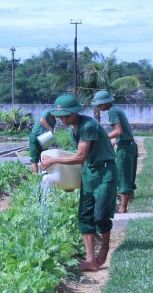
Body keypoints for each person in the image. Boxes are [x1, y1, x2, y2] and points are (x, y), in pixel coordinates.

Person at [41, 94, 117, 272]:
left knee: (100, 216)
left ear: (76, 112)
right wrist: (71, 182)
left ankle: (105, 246)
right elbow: (83, 160)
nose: (63, 119)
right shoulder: (72, 129)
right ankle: (90, 260)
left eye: (66, 116)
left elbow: (81, 156)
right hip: (89, 172)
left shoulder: (88, 125)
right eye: (60, 116)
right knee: (84, 216)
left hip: (104, 172)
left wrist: (54, 161)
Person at [91, 90, 138, 213]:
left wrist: (103, 139)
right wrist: (115, 141)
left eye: (100, 104)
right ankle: (129, 201)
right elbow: (123, 132)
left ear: (106, 103)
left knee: (122, 176)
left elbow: (118, 131)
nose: (99, 107)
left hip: (125, 148)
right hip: (130, 145)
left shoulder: (112, 111)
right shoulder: (116, 109)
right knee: (128, 175)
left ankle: (122, 208)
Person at [28, 109, 57, 174]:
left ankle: (44, 176)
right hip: (35, 136)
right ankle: (35, 176)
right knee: (34, 158)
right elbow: (42, 120)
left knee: (44, 157)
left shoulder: (54, 121)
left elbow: (51, 134)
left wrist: (54, 142)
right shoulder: (47, 112)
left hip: (44, 139)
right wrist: (50, 129)